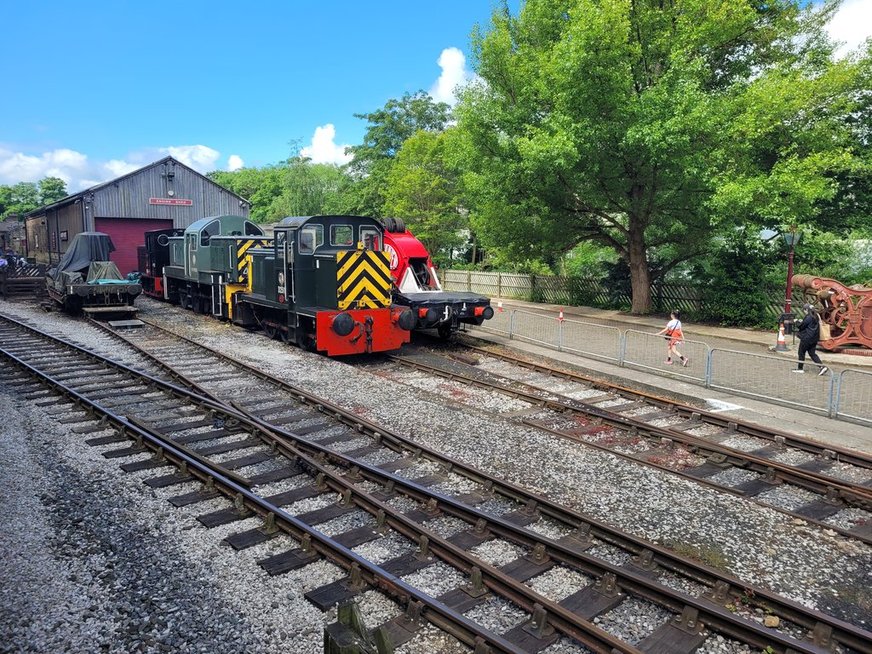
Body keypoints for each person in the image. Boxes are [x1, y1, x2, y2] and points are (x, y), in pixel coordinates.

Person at [794, 303, 829, 375]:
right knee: (812, 353)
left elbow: (801, 326)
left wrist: (796, 321)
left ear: (807, 310)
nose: (804, 312)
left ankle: (800, 369)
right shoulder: (816, 316)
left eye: (804, 310)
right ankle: (822, 367)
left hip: (807, 338)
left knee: (801, 353)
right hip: (814, 338)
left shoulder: (808, 317)